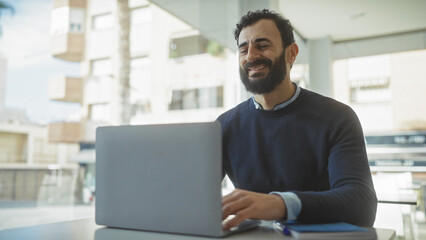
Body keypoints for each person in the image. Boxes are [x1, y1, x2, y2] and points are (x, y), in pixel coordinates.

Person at [218, 9, 377, 230]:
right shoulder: (224, 126)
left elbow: (361, 204)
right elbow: (192, 196)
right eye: (243, 49)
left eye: (262, 45)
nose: (251, 56)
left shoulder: (337, 117)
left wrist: (280, 204)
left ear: (291, 53)